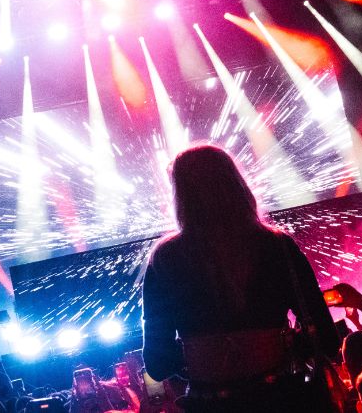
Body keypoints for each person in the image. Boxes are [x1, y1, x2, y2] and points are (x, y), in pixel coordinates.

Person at [141, 145, 341, 412]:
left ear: (181, 195)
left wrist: (205, 356)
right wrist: (277, 345)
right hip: (282, 400)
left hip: (209, 404)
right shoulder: (278, 246)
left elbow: (157, 363)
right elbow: (326, 338)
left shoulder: (164, 259)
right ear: (237, 184)